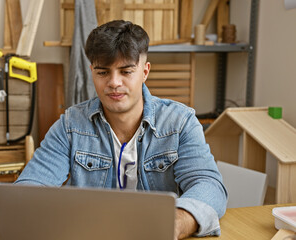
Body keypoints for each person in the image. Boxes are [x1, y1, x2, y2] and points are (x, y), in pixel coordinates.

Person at [15, 20, 227, 239]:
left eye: (126, 71)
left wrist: (176, 222)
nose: (114, 82)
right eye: (102, 72)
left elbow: (209, 186)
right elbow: (29, 190)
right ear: (92, 72)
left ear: (145, 71)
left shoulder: (180, 123)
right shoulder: (70, 125)